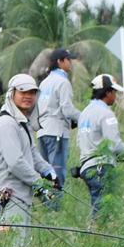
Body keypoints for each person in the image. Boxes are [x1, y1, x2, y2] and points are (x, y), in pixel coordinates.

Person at [0, 73, 58, 246]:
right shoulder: (7, 124)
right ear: (12, 94)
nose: (28, 96)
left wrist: (49, 172)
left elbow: (32, 153)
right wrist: (39, 182)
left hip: (20, 196)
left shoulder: (22, 122)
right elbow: (15, 162)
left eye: (32, 92)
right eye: (22, 92)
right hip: (6, 196)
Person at [77, 74, 124, 217]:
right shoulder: (106, 113)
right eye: (114, 92)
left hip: (86, 167)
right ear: (107, 92)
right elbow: (114, 144)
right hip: (102, 166)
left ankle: (94, 234)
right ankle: (95, 233)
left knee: (97, 204)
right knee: (103, 209)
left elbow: (79, 142)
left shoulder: (84, 113)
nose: (115, 96)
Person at [37, 48, 82, 191]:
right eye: (68, 60)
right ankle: (54, 206)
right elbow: (67, 109)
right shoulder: (63, 82)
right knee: (57, 172)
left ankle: (46, 204)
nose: (71, 63)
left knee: (45, 171)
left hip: (42, 131)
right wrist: (86, 118)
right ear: (60, 61)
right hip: (57, 132)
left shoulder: (44, 83)